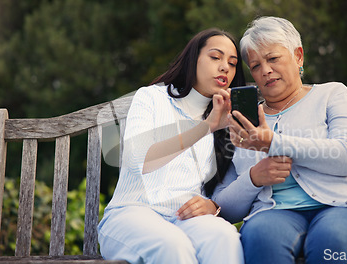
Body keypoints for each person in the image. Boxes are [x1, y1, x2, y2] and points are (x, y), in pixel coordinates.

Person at [212, 16, 347, 264]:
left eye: (273, 58)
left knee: (330, 238)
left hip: (345, 211)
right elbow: (223, 209)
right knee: (261, 237)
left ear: (298, 56)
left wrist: (272, 143)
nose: (265, 70)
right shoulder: (242, 121)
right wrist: (253, 178)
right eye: (255, 65)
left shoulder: (331, 94)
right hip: (275, 214)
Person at [98, 28, 246, 264]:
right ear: (192, 60)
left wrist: (213, 204)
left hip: (185, 218)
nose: (225, 67)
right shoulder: (151, 98)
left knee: (225, 237)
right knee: (173, 246)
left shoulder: (225, 118)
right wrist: (205, 127)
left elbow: (230, 179)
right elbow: (140, 161)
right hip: (133, 212)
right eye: (215, 57)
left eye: (232, 62)